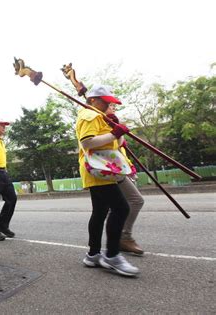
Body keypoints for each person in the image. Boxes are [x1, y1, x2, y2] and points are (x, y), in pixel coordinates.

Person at [76, 85, 139, 276]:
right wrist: (115, 133)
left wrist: (117, 134)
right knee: (121, 208)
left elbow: (112, 143)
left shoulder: (100, 116)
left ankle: (93, 254)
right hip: (98, 169)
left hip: (103, 168)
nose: (108, 104)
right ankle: (112, 255)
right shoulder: (90, 115)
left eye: (110, 102)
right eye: (105, 101)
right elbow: (87, 142)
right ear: (93, 100)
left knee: (100, 211)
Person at [105, 104, 145, 255]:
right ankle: (121, 240)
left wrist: (118, 132)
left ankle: (113, 244)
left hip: (119, 167)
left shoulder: (109, 120)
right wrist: (114, 133)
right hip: (108, 168)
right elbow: (91, 143)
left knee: (115, 208)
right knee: (135, 201)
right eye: (111, 105)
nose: (114, 108)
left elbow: (119, 143)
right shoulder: (96, 119)